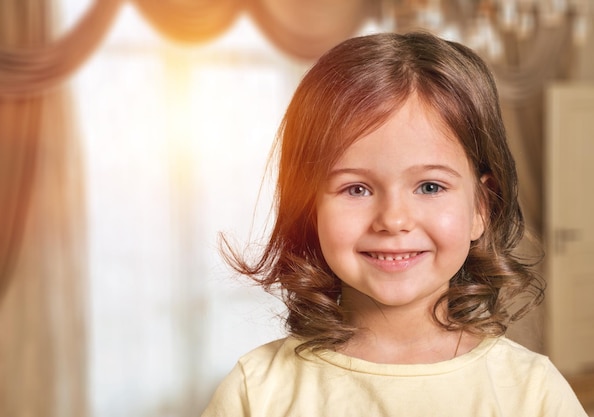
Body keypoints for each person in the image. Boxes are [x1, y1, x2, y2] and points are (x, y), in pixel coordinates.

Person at [201, 31, 588, 416]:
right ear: (309, 208)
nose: (394, 220)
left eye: (430, 186)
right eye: (356, 189)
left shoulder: (533, 392)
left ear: (481, 207)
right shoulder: (256, 392)